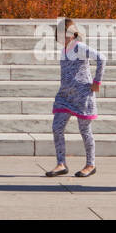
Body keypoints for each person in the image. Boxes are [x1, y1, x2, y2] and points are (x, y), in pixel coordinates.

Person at [45, 19, 104, 178]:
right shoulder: (63, 50)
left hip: (82, 95)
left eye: (66, 34)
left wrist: (96, 82)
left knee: (85, 130)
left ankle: (90, 164)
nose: (63, 37)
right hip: (64, 96)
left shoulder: (79, 47)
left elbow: (101, 58)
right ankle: (61, 163)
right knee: (57, 127)